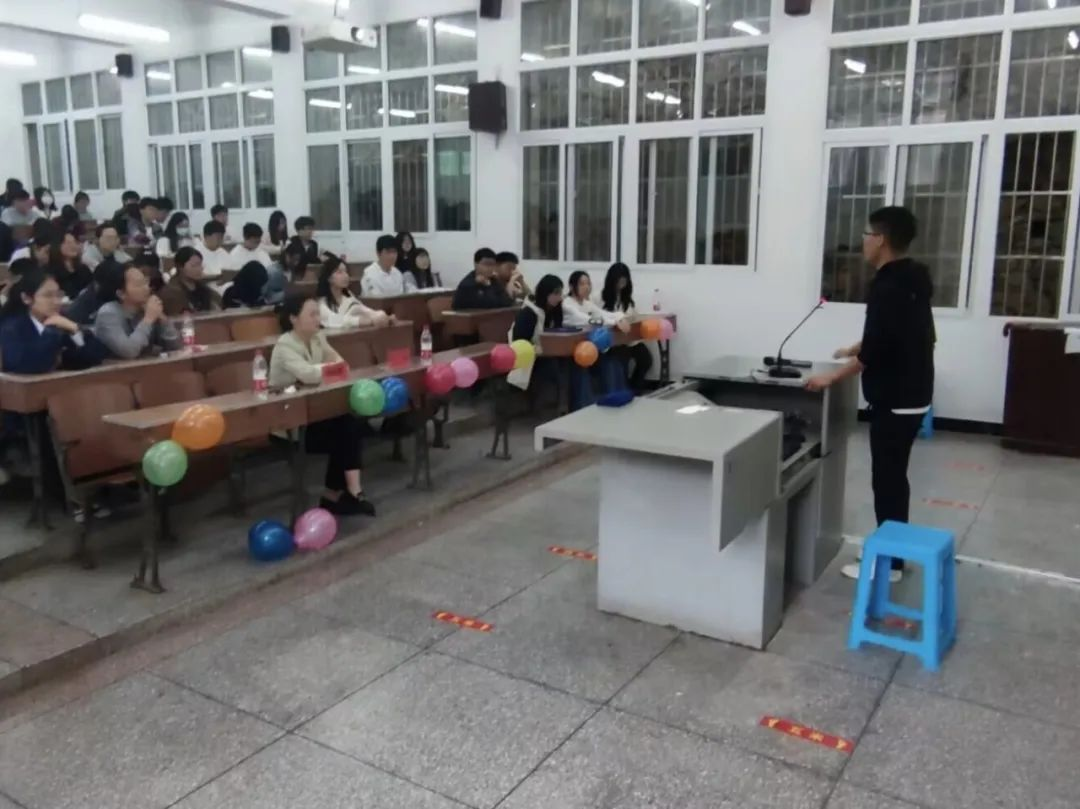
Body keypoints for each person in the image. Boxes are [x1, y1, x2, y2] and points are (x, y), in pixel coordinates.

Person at [805, 206, 935, 584]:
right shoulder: (911, 277)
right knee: (893, 478)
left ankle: (890, 565)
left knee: (888, 480)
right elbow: (900, 333)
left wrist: (832, 377)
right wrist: (856, 347)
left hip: (897, 398)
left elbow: (878, 351)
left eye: (867, 234)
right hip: (913, 392)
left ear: (881, 239)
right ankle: (891, 545)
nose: (862, 241)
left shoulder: (888, 286)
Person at [269, 294, 375, 516]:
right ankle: (337, 494)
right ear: (293, 318)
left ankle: (350, 491)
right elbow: (307, 375)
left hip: (315, 415)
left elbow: (343, 366)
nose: (318, 318)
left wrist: (322, 371)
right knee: (344, 432)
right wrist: (326, 370)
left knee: (350, 423)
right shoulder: (284, 345)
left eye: (318, 313)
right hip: (289, 425)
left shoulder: (318, 337)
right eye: (312, 314)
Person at [507, 274, 592, 411]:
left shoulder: (555, 310)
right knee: (555, 368)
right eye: (555, 293)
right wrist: (539, 349)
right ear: (545, 293)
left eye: (560, 293)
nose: (559, 298)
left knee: (576, 362)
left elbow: (558, 331)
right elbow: (519, 343)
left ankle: (578, 406)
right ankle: (555, 409)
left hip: (549, 353)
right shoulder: (529, 313)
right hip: (530, 357)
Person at [0, 268, 105, 374]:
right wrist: (51, 339)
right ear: (26, 298)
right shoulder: (11, 328)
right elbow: (28, 364)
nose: (56, 301)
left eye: (59, 295)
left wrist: (75, 328)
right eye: (48, 295)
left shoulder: (59, 323)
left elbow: (95, 355)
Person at [92, 262, 181, 359]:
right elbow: (129, 351)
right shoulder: (108, 314)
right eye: (139, 284)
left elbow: (176, 346)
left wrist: (163, 320)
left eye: (146, 282)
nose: (147, 288)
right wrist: (148, 319)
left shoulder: (146, 308)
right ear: (121, 294)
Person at [599, 262, 652, 390]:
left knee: (646, 358)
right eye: (620, 280)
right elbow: (599, 318)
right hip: (610, 342)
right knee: (622, 354)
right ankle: (623, 388)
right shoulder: (600, 297)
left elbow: (633, 316)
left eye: (625, 280)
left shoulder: (626, 299)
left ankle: (634, 388)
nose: (622, 283)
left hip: (628, 340)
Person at [317, 255, 388, 329]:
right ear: (329, 278)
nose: (345, 276)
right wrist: (360, 321)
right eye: (339, 272)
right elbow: (332, 320)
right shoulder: (322, 303)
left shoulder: (348, 295)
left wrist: (379, 316)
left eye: (346, 272)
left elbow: (363, 309)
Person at [160, 246, 221, 316]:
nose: (200, 269)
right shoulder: (170, 293)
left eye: (200, 264)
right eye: (194, 265)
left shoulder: (206, 290)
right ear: (180, 267)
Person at [562, 270, 629, 331]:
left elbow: (603, 314)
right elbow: (587, 320)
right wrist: (614, 322)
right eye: (582, 284)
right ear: (571, 287)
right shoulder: (567, 304)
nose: (586, 287)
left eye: (588, 283)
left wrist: (621, 317)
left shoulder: (587, 303)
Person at [47, 232, 92, 301]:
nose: (73, 246)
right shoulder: (50, 271)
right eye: (68, 243)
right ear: (57, 246)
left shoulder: (83, 268)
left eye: (75, 242)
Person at [264, 239, 306, 305]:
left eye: (298, 260)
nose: (296, 263)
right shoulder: (273, 272)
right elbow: (269, 298)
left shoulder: (294, 270)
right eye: (294, 259)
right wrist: (288, 293)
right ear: (287, 256)